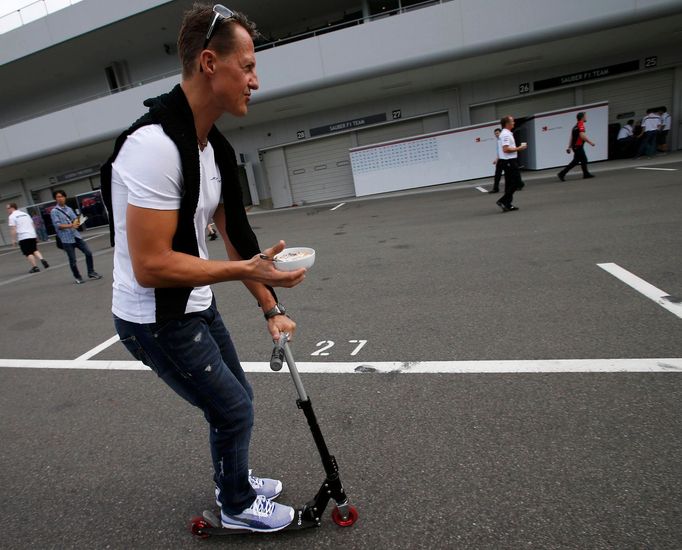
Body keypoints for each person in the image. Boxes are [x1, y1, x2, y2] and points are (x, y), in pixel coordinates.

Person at [100, 4, 307, 533]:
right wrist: (243, 273)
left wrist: (271, 308)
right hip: (153, 317)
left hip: (193, 301)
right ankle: (236, 505)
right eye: (249, 66)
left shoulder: (212, 146)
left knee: (238, 398)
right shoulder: (153, 147)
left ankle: (231, 479)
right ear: (210, 63)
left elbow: (239, 237)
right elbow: (150, 266)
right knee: (233, 409)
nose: (256, 80)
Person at [50, 189, 103, 284]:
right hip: (66, 239)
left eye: (62, 196)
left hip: (76, 236)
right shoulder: (54, 211)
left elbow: (75, 219)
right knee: (73, 259)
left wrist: (79, 221)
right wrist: (71, 225)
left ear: (65, 197)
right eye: (58, 197)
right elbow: (57, 225)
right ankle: (77, 276)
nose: (61, 198)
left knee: (88, 252)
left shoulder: (69, 209)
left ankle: (91, 272)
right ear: (55, 199)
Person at [6, 203, 50, 273]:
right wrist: (35, 235)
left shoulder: (12, 216)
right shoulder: (25, 214)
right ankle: (42, 259)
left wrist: (13, 239)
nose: (7, 210)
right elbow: (32, 224)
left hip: (23, 236)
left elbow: (13, 229)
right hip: (31, 235)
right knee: (34, 249)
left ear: (12, 208)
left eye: (8, 208)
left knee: (28, 252)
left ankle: (35, 267)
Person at [495, 115, 526, 212]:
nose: (514, 123)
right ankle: (503, 201)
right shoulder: (505, 134)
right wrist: (519, 148)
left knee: (509, 184)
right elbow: (506, 149)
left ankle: (508, 204)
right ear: (507, 123)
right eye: (512, 121)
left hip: (507, 161)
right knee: (517, 182)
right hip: (509, 161)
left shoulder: (506, 133)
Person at [557, 112, 595, 181]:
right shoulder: (580, 124)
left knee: (577, 161)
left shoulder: (575, 126)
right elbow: (582, 135)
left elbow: (571, 137)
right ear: (582, 117)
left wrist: (569, 147)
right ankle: (562, 173)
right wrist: (590, 142)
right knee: (582, 160)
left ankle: (585, 174)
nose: (586, 118)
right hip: (578, 147)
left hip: (576, 147)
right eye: (585, 116)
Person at [488, 127, 503, 193]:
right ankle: (495, 188)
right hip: (500, 159)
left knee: (511, 173)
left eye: (497, 133)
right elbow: (499, 151)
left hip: (505, 159)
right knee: (497, 175)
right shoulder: (498, 140)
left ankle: (519, 184)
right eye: (495, 134)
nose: (496, 135)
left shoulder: (503, 140)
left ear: (501, 133)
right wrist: (496, 159)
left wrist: (497, 159)